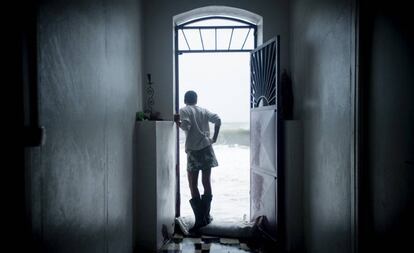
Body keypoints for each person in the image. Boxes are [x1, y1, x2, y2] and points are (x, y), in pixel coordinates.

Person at [174, 90, 221, 233]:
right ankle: (205, 217)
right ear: (196, 99)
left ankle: (200, 219)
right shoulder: (203, 110)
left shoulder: (184, 110)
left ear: (185, 100)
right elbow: (218, 120)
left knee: (192, 184)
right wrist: (215, 138)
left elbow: (186, 126)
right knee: (206, 182)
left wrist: (177, 122)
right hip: (207, 148)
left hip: (194, 151)